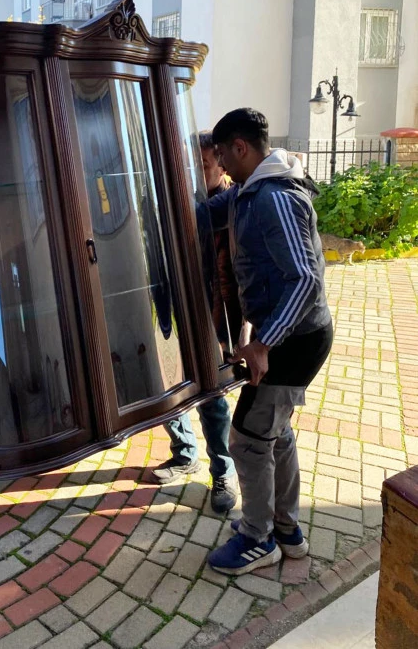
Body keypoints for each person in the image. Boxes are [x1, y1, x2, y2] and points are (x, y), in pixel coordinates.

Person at [204, 109, 333, 576]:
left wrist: (263, 344)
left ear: (240, 148)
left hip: (295, 339)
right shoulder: (250, 190)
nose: (219, 166)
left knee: (247, 438)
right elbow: (207, 213)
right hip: (288, 334)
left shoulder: (274, 198)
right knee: (273, 432)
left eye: (221, 155)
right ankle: (287, 530)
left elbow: (305, 280)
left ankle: (258, 539)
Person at [152, 133, 241, 515]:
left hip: (213, 317)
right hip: (176, 310)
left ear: (222, 165)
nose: (193, 172)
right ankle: (185, 453)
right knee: (167, 385)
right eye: (189, 164)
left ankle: (224, 471)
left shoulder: (232, 206)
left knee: (211, 397)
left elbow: (235, 276)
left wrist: (229, 331)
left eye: (202, 165)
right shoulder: (177, 202)